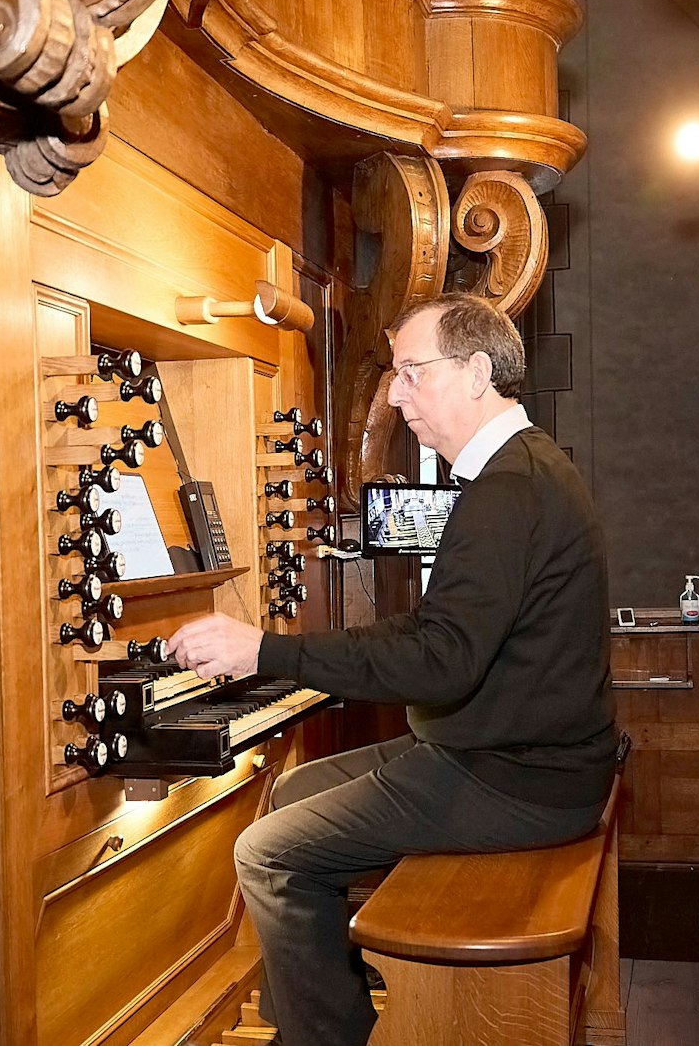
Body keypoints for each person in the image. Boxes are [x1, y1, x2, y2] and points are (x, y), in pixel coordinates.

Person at [168, 293, 619, 1046]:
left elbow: (440, 660)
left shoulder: (509, 489)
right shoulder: (519, 469)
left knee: (267, 852)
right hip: (514, 752)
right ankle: (333, 997)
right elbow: (444, 636)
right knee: (295, 787)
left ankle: (327, 1034)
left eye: (412, 371)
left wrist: (264, 651)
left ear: (478, 372)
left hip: (517, 778)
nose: (396, 393)